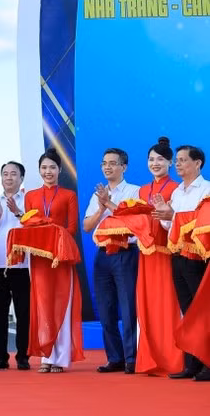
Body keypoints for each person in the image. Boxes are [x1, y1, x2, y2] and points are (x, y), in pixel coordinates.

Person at [153, 145, 210, 381]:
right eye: (176, 160)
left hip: (197, 257)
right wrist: (165, 214)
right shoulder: (177, 192)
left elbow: (201, 222)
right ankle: (192, 364)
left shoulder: (206, 190)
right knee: (187, 312)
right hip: (176, 255)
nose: (177, 164)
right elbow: (170, 227)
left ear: (197, 164)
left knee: (203, 312)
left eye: (183, 160)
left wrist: (172, 216)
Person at [82, 149, 141, 374]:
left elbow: (135, 223)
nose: (108, 167)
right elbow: (87, 226)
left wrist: (109, 205)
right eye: (104, 163)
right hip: (103, 254)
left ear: (124, 167)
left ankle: (131, 358)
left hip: (126, 252)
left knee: (127, 308)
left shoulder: (134, 191)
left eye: (113, 163)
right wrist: (100, 208)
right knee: (105, 309)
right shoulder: (98, 193)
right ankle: (114, 358)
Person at [24, 149, 81, 373]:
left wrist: (50, 228)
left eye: (52, 167)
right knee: (42, 304)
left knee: (61, 304)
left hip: (61, 257)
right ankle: (46, 356)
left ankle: (60, 358)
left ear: (60, 170)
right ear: (39, 170)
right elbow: (27, 225)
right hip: (39, 258)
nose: (48, 172)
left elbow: (73, 228)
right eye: (44, 168)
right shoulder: (31, 196)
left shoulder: (69, 195)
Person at [134, 138, 182, 375]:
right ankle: (150, 360)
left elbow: (177, 221)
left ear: (170, 163)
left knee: (169, 307)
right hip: (146, 256)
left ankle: (173, 360)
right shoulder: (142, 190)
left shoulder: (177, 188)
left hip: (167, 254)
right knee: (148, 307)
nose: (155, 163)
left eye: (160, 160)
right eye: (151, 159)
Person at [0, 161, 30, 371]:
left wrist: (18, 211)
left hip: (22, 266)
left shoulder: (29, 201)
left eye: (14, 174)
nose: (9, 177)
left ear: (21, 178)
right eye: (5, 174)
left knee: (24, 313)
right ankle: (0, 356)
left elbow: (33, 227)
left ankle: (23, 356)